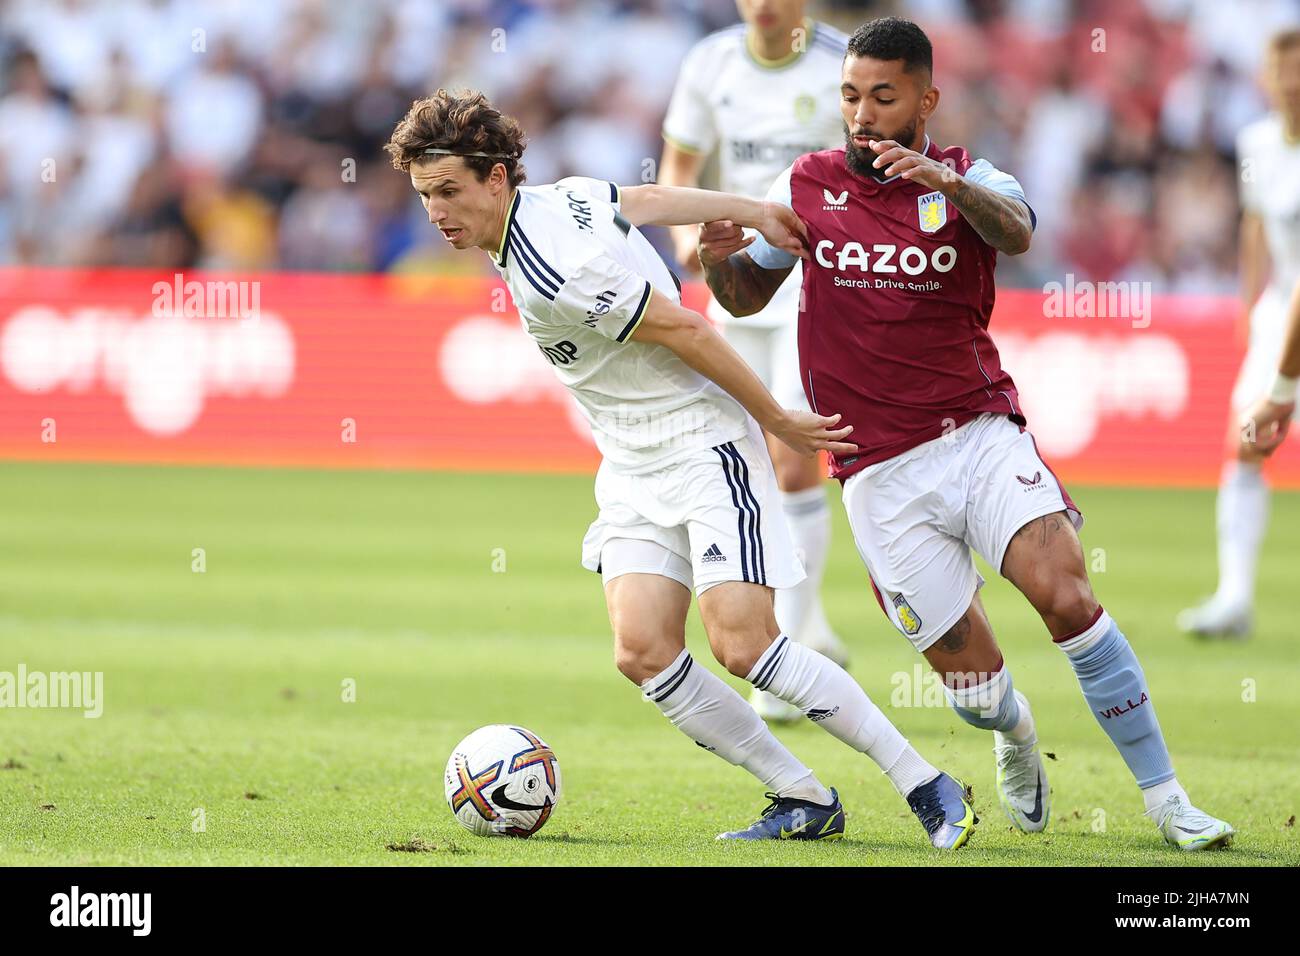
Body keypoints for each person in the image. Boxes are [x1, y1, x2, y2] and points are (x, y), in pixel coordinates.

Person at [385, 88, 976, 846]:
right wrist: (754, 209)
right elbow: (645, 198)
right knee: (642, 649)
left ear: (496, 179)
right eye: (425, 195)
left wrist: (774, 420)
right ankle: (800, 796)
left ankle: (924, 783)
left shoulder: (548, 266)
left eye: (448, 191)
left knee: (743, 645)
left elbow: (684, 328)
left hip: (702, 445)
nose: (435, 211)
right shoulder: (557, 200)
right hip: (631, 463)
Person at [700, 17, 1235, 850]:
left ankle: (1168, 800)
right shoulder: (808, 185)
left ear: (926, 98)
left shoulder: (970, 176)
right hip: (875, 467)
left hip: (978, 433)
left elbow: (1016, 230)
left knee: (1067, 595)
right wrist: (717, 260)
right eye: (850, 96)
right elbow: (742, 298)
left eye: (884, 96)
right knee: (972, 685)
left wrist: (947, 189)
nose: (864, 114)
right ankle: (1014, 732)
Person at [660, 0, 852, 723]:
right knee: (737, 454)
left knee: (795, 455)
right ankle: (808, 624)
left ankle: (787, 654)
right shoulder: (710, 62)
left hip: (813, 285)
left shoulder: (842, 62)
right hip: (736, 284)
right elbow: (682, 158)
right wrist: (688, 245)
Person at [1179, 28, 1300, 639]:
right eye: (1283, 72)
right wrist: (1248, 302)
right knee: (1246, 440)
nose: (1293, 84)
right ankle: (1235, 596)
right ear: (1267, 79)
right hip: (1283, 312)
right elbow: (1256, 223)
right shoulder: (1256, 142)